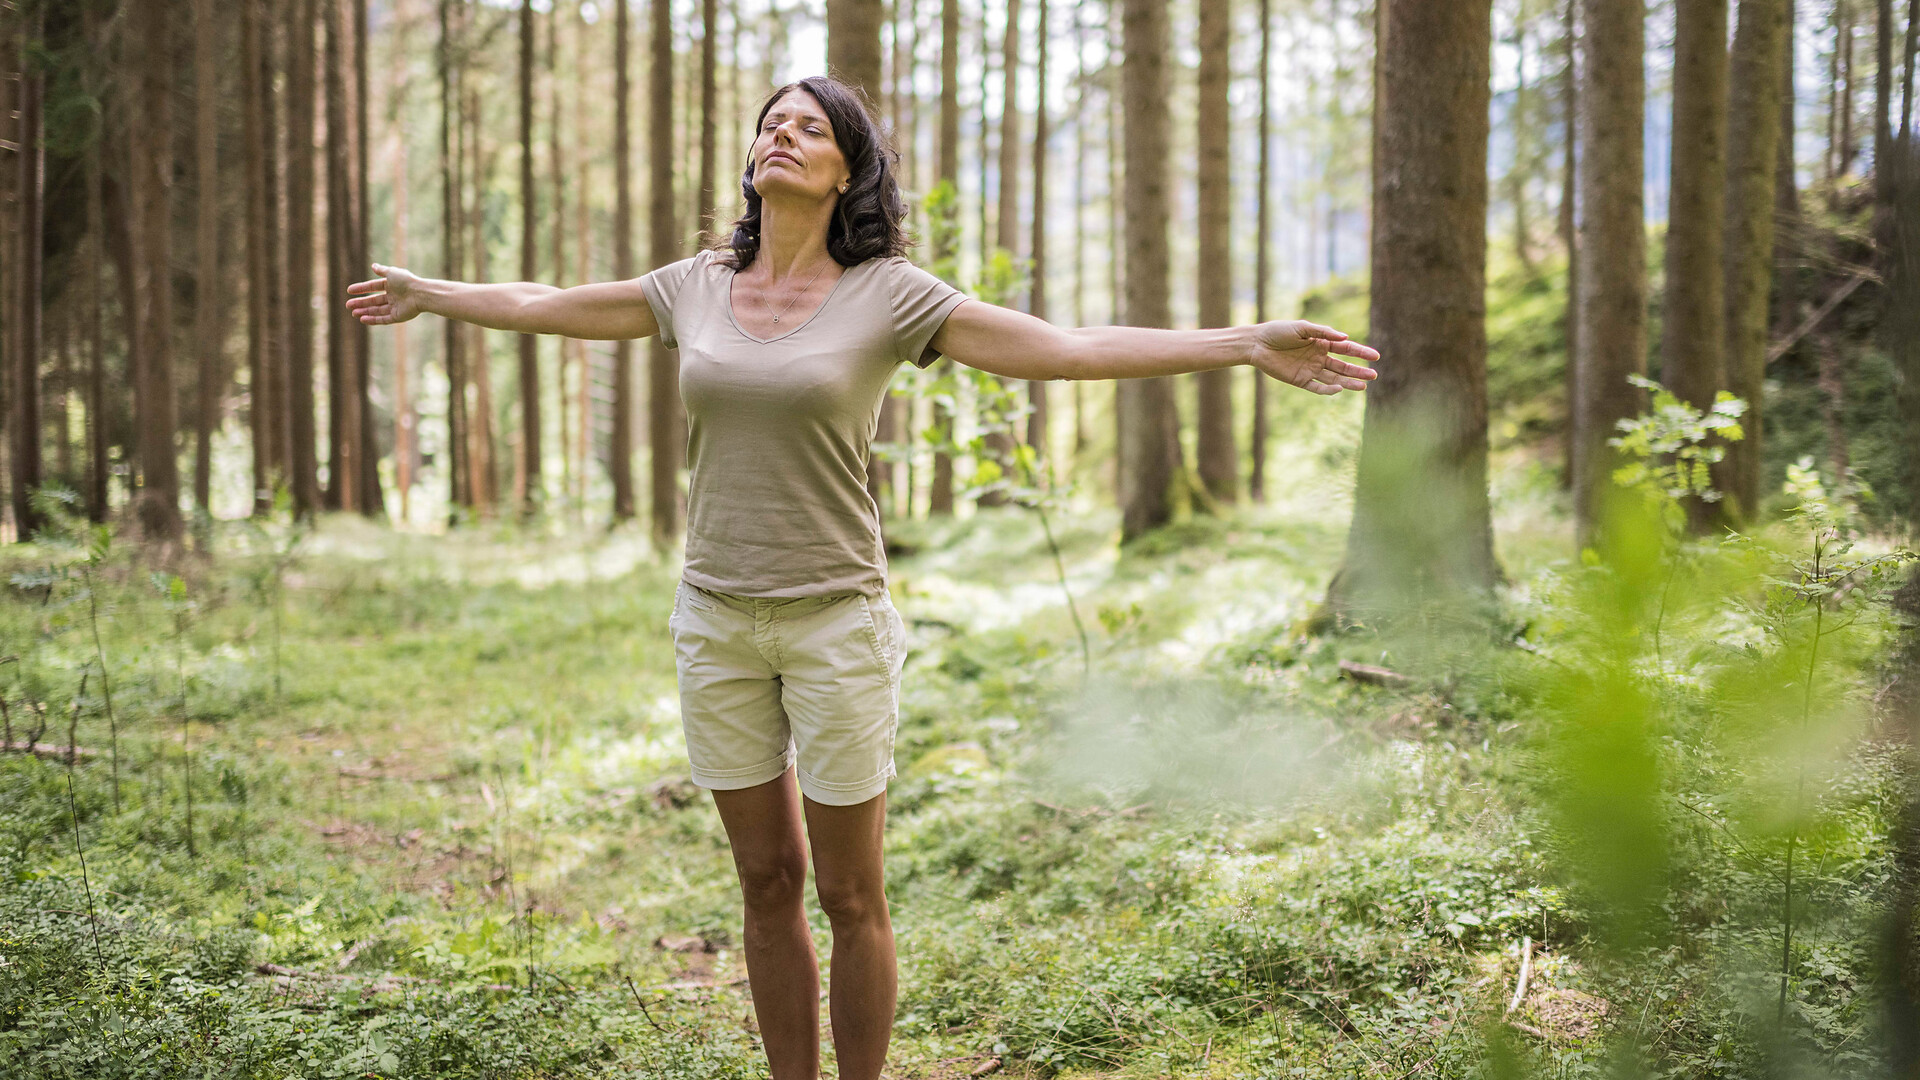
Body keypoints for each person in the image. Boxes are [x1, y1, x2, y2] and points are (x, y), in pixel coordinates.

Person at [346, 73, 1378, 1080]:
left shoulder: (889, 296)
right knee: (764, 878)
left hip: (836, 623)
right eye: (771, 126)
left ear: (848, 171)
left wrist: (1243, 342)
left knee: (848, 892)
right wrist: (433, 293)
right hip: (716, 620)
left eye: (810, 128)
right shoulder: (694, 285)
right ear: (753, 161)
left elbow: (1063, 349)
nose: (782, 136)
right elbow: (550, 301)